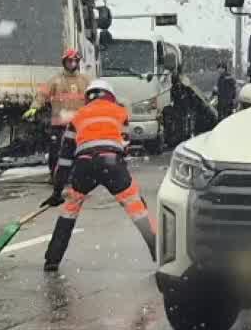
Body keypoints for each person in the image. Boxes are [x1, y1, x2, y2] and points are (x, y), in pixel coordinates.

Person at [41, 78, 157, 272]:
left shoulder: (77, 117)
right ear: (110, 96)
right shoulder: (120, 112)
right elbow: (124, 145)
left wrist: (57, 191)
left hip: (83, 166)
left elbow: (65, 159)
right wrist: (118, 173)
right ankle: (158, 251)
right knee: (136, 208)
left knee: (70, 210)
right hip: (112, 163)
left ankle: (52, 260)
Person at [26, 49, 91, 206]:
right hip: (60, 125)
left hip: (79, 126)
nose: (72, 64)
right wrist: (34, 107)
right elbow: (42, 95)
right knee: (57, 153)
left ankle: (77, 177)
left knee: (79, 153)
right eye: (69, 61)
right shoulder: (55, 81)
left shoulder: (85, 81)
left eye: (75, 61)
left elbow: (94, 98)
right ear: (64, 62)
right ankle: (55, 177)